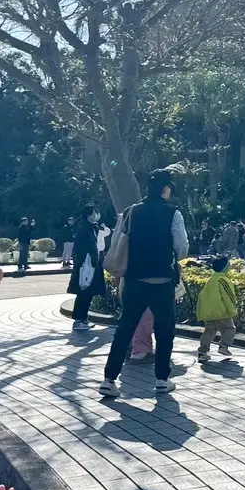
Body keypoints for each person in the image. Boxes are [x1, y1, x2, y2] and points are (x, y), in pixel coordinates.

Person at [99, 170, 188, 398]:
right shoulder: (173, 213)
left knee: (125, 328)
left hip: (134, 281)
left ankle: (109, 379)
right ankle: (161, 378)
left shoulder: (130, 213)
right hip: (162, 280)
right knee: (164, 329)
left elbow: (118, 242)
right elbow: (182, 247)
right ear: (166, 190)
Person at [68, 206, 107, 330]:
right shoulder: (83, 228)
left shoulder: (90, 226)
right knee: (84, 292)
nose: (96, 214)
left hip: (91, 264)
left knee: (88, 292)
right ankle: (79, 320)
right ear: (90, 214)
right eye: (95, 212)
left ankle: (83, 319)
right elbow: (83, 248)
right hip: (86, 265)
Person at [196, 255, 239, 364]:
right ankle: (223, 346)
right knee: (230, 329)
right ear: (225, 268)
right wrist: (233, 310)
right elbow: (229, 297)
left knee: (209, 332)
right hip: (221, 312)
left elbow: (202, 296)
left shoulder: (211, 280)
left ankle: (202, 353)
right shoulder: (223, 280)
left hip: (209, 313)